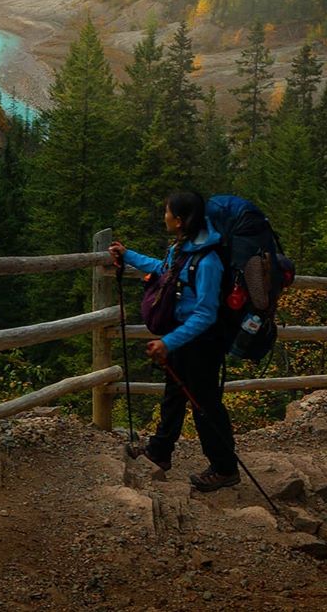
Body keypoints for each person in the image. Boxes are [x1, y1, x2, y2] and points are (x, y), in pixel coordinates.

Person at [109, 189, 240, 492]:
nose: (164, 216)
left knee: (205, 405)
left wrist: (169, 342)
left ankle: (225, 468)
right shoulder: (183, 248)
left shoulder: (208, 261)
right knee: (174, 394)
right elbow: (163, 270)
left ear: (179, 221)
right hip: (184, 338)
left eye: (167, 212)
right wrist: (129, 256)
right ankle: (160, 452)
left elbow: (206, 314)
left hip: (204, 342)